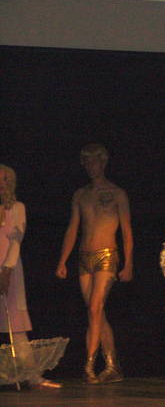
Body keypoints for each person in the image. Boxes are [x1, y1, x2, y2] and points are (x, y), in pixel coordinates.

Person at [55, 143, 133, 384]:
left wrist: (128, 264)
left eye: (94, 162)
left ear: (103, 162)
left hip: (107, 255)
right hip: (84, 257)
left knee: (94, 309)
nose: (91, 167)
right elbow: (72, 228)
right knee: (97, 312)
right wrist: (62, 260)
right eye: (87, 162)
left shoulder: (117, 193)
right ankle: (112, 365)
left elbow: (127, 231)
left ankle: (88, 366)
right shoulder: (80, 194)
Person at [0, 164, 62, 389]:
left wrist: (6, 270)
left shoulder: (17, 208)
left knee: (15, 323)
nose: (0, 184)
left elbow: (16, 241)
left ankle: (33, 377)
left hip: (8, 268)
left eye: (4, 180)